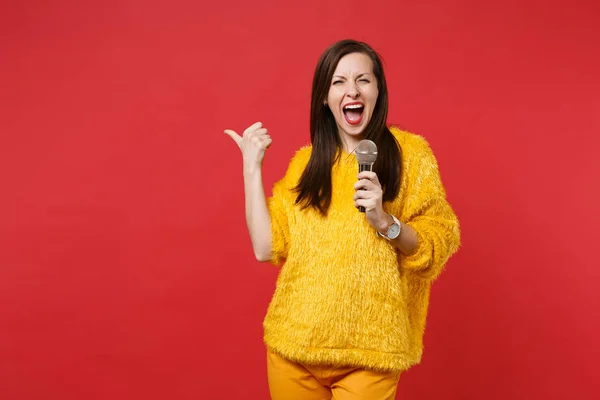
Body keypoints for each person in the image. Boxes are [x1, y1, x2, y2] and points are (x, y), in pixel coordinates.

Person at [224, 39, 460, 400]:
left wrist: (385, 222)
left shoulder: (411, 155)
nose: (352, 90)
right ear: (325, 97)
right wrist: (251, 167)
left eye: (363, 80)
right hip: (294, 347)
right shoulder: (306, 164)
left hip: (371, 353)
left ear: (378, 90)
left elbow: (438, 242)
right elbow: (265, 246)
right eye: (338, 82)